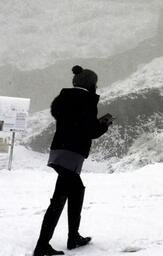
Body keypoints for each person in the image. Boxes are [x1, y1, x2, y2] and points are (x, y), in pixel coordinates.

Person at [33, 66, 114, 256]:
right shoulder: (86, 100)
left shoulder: (63, 99)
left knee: (74, 192)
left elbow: (68, 120)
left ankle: (72, 237)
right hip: (72, 153)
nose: (96, 86)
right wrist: (104, 125)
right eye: (95, 83)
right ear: (90, 84)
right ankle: (43, 245)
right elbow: (90, 131)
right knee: (61, 198)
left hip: (58, 151)